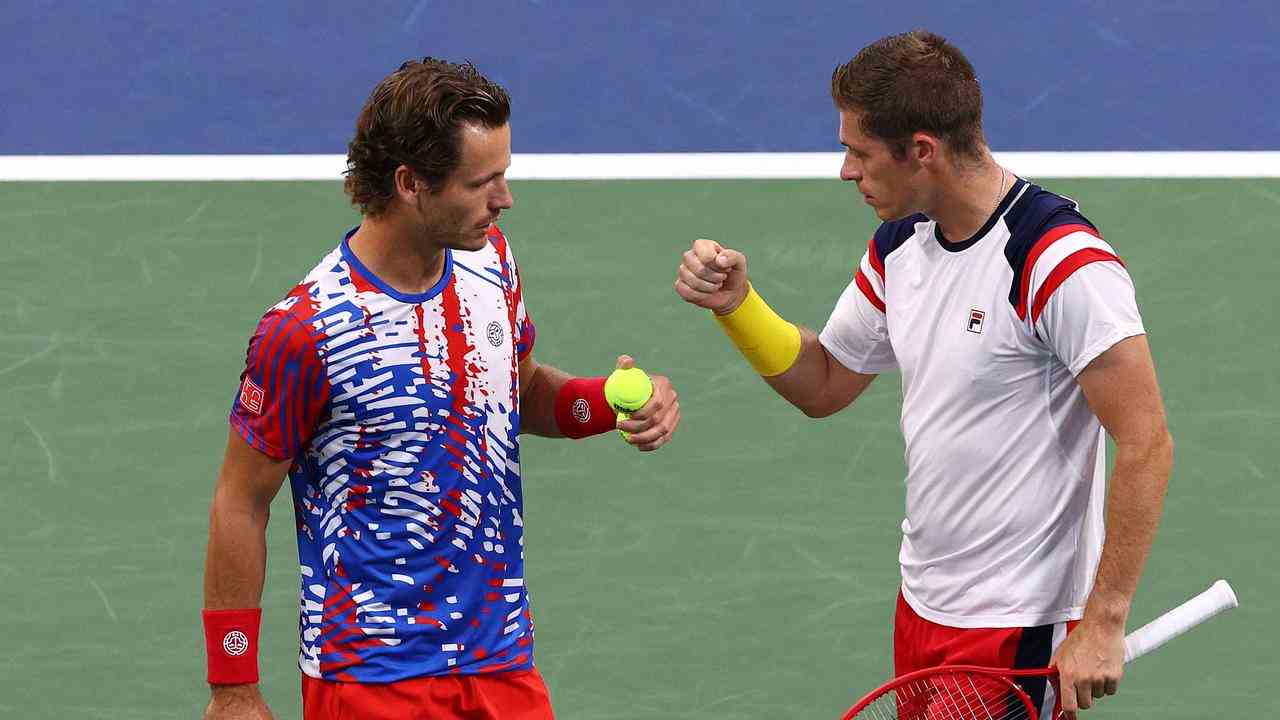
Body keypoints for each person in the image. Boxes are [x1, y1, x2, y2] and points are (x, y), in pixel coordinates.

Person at [674, 30, 1171, 718]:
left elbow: (1147, 442)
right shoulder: (902, 245)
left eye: (859, 151)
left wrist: (1104, 621)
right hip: (924, 608)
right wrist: (738, 307)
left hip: (1018, 623)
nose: (846, 170)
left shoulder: (1056, 263)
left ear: (922, 151)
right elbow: (824, 382)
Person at [202, 58, 682, 720]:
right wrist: (233, 687)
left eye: (503, 175)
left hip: (501, 658)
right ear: (411, 184)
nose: (504, 197)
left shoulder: (493, 265)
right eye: (481, 182)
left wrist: (606, 404)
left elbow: (518, 392)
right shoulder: (305, 331)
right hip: (372, 676)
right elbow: (239, 503)